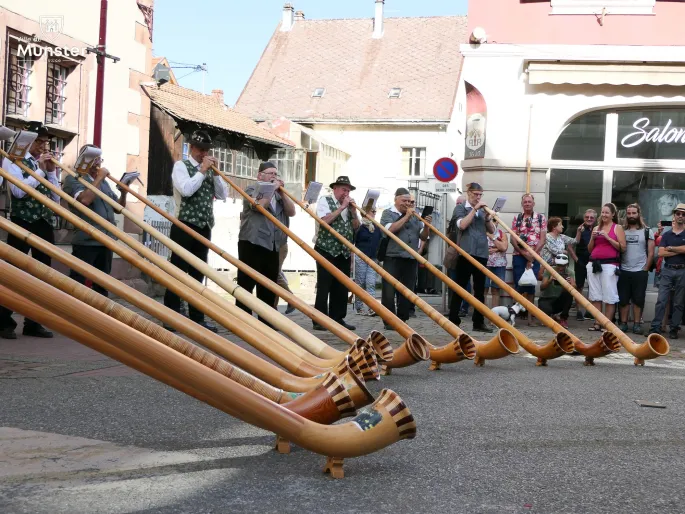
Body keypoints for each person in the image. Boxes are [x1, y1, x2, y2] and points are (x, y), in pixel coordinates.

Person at [162, 130, 228, 333]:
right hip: (184, 225)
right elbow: (186, 190)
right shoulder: (181, 166)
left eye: (206, 150)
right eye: (200, 150)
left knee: (199, 274)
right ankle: (170, 316)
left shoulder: (208, 170)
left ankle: (197, 317)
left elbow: (223, 194)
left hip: (204, 226)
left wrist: (215, 174)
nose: (203, 154)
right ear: (191, 147)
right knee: (178, 272)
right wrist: (202, 171)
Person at [0, 121, 59, 339]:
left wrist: (51, 173)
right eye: (40, 141)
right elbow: (17, 191)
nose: (44, 146)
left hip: (43, 223)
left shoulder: (42, 163)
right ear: (28, 141)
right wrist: (42, 172)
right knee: (14, 273)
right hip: (22, 221)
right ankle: (3, 321)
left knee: (43, 275)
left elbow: (57, 199)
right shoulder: (13, 161)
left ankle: (34, 322)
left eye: (46, 142)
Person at [63, 145, 129, 298]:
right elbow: (85, 200)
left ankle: (99, 316)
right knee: (78, 282)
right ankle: (74, 314)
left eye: (100, 159)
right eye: (95, 158)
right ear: (84, 160)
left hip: (106, 240)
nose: (98, 162)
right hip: (87, 240)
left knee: (102, 283)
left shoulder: (103, 183)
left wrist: (124, 193)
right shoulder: (73, 179)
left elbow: (117, 208)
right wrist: (99, 178)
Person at [237, 162, 296, 323]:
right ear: (260, 175)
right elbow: (259, 206)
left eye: (275, 174)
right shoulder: (252, 189)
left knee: (269, 286)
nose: (273, 177)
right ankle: (243, 321)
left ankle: (266, 321)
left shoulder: (279, 194)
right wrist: (270, 190)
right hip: (252, 243)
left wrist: (283, 194)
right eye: (270, 173)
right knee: (247, 283)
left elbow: (292, 212)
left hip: (273, 244)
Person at [313, 176, 359, 331]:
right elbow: (324, 221)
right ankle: (319, 320)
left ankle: (337, 318)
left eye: (348, 190)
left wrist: (353, 212)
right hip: (326, 249)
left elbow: (357, 227)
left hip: (343, 251)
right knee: (324, 284)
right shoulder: (325, 201)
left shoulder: (348, 207)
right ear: (335, 189)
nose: (346, 193)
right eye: (343, 189)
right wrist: (341, 208)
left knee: (341, 287)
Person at [379, 188, 431, 327]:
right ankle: (389, 321)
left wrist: (426, 226)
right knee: (389, 291)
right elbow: (389, 230)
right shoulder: (387, 213)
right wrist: (407, 216)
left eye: (409, 201)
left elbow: (423, 236)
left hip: (410, 257)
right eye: (404, 201)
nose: (407, 203)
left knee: (407, 290)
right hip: (393, 256)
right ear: (396, 199)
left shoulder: (415, 215)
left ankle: (402, 319)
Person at [448, 182, 495, 332]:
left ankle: (478, 322)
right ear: (468, 194)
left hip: (481, 253)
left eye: (480, 195)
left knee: (480, 289)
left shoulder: (482, 211)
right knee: (460, 287)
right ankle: (453, 320)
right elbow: (461, 225)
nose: (478, 197)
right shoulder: (461, 208)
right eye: (475, 194)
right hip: (465, 253)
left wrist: (488, 217)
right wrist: (475, 209)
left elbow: (492, 230)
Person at [587, 203, 626, 332]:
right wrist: (592, 239)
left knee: (609, 295)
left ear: (613, 214)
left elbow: (623, 247)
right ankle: (597, 322)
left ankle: (608, 325)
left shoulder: (617, 227)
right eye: (602, 212)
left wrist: (608, 238)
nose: (604, 215)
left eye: (607, 212)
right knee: (595, 295)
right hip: (594, 263)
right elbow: (590, 249)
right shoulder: (596, 227)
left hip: (610, 264)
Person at [618, 204, 654, 334]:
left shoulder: (647, 231)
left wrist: (645, 268)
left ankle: (637, 324)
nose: (631, 216)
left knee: (638, 299)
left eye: (634, 213)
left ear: (639, 214)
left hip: (640, 271)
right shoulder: (621, 230)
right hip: (624, 270)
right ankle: (623, 323)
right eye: (629, 213)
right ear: (626, 215)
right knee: (623, 299)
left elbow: (651, 252)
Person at [510, 193, 547, 324]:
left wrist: (532, 255)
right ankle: (514, 317)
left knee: (531, 286)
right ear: (522, 204)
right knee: (518, 286)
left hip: (535, 256)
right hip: (519, 256)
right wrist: (523, 253)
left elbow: (543, 240)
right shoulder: (517, 218)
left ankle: (531, 317)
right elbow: (512, 239)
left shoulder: (541, 218)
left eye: (529, 202)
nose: (527, 204)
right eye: (525, 202)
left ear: (533, 203)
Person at [650, 203, 685, 339]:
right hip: (668, 269)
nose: (680, 216)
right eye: (678, 213)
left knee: (679, 302)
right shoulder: (667, 234)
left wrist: (671, 248)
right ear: (674, 216)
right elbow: (661, 253)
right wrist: (679, 249)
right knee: (661, 300)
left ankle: (674, 328)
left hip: (682, 270)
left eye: (683, 214)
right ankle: (655, 327)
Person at [353, 206, 382, 316]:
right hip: (361, 257)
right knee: (360, 283)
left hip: (373, 258)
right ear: (365, 213)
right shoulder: (360, 227)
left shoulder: (377, 227)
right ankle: (359, 307)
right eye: (372, 211)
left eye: (375, 211)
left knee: (371, 283)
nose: (374, 213)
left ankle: (372, 307)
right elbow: (354, 241)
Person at [538, 253, 575, 329]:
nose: (561, 268)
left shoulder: (570, 272)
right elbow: (542, 288)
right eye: (559, 265)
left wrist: (570, 284)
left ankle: (563, 318)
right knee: (546, 310)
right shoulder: (549, 270)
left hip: (558, 300)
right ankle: (552, 315)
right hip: (546, 299)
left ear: (567, 264)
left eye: (563, 265)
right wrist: (549, 280)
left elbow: (575, 288)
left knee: (569, 294)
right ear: (555, 263)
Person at [574, 209, 597, 320]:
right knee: (579, 286)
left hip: (593, 260)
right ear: (584, 218)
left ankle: (590, 311)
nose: (589, 219)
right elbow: (572, 244)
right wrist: (576, 259)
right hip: (580, 260)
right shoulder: (579, 228)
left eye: (591, 217)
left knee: (593, 286)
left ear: (595, 219)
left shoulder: (597, 229)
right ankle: (578, 311)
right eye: (587, 217)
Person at [485, 221, 508, 308]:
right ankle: (482, 313)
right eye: (490, 220)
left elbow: (504, 247)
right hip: (485, 264)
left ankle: (495, 315)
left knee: (496, 290)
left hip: (499, 264)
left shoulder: (502, 233)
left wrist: (491, 236)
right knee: (484, 289)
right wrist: (498, 248)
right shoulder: (481, 232)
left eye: (495, 220)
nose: (493, 223)